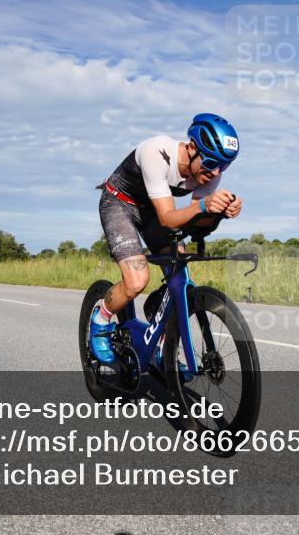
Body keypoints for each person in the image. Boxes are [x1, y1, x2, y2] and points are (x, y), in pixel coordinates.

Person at [90, 113, 242, 364]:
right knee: (137, 279)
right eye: (212, 162)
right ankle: (101, 318)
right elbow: (169, 218)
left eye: (224, 166)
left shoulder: (211, 172)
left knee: (179, 270)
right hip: (119, 204)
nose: (216, 172)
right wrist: (204, 205)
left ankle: (159, 333)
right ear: (192, 147)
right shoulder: (156, 151)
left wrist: (220, 212)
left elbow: (196, 224)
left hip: (150, 209)